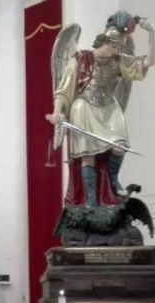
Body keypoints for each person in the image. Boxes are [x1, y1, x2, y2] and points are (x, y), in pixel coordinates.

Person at [47, 12, 155, 207]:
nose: (117, 51)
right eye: (114, 46)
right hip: (84, 106)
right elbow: (63, 91)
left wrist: (152, 33)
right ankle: (91, 200)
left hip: (108, 107)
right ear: (104, 41)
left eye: (119, 47)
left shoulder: (119, 60)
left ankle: (113, 183)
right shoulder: (80, 60)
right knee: (88, 155)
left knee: (119, 147)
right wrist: (57, 113)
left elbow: (148, 62)